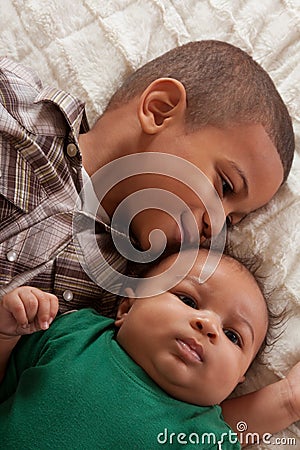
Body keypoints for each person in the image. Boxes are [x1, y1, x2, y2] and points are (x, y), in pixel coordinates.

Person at [0, 40, 295, 316]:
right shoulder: (15, 105)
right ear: (159, 110)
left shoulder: (138, 292)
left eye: (231, 222)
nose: (216, 226)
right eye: (225, 186)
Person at [0, 249, 299, 449]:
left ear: (237, 380)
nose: (208, 325)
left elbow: (236, 429)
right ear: (127, 308)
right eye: (189, 301)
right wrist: (7, 332)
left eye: (233, 336)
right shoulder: (76, 333)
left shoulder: (202, 434)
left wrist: (287, 400)